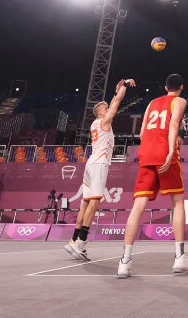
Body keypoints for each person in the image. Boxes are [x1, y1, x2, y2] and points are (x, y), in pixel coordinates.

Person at [117, 74, 188, 278]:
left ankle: (124, 262)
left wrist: (150, 149)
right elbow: (173, 126)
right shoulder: (179, 101)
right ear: (181, 87)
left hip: (146, 153)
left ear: (165, 87)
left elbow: (143, 132)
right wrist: (171, 151)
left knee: (138, 206)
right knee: (177, 202)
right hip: (165, 153)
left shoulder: (152, 102)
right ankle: (180, 258)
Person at [65, 78, 135, 261]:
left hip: (90, 164)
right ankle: (82, 242)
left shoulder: (95, 124)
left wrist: (115, 91)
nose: (109, 110)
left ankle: (73, 241)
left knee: (86, 203)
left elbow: (113, 103)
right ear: (101, 113)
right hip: (99, 164)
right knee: (95, 203)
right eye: (106, 109)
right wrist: (125, 86)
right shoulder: (104, 122)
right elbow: (116, 104)